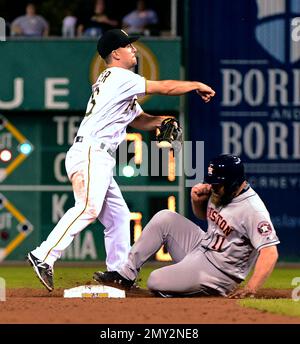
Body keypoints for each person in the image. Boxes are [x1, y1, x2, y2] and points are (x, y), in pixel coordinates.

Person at [27, 28, 215, 291]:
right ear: (116, 53)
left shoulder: (115, 82)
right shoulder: (118, 76)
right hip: (92, 152)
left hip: (97, 156)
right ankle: (43, 255)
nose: (134, 49)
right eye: (128, 46)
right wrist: (195, 85)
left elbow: (139, 120)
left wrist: (164, 121)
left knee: (119, 216)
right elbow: (164, 87)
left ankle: (119, 274)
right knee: (88, 207)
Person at [93, 154, 280, 298]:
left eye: (218, 184)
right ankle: (125, 276)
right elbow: (205, 217)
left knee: (155, 280)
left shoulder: (253, 210)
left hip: (219, 272)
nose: (213, 187)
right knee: (164, 217)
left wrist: (251, 288)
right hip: (202, 246)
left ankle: (203, 291)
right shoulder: (222, 192)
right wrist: (197, 201)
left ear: (233, 183)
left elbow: (270, 253)